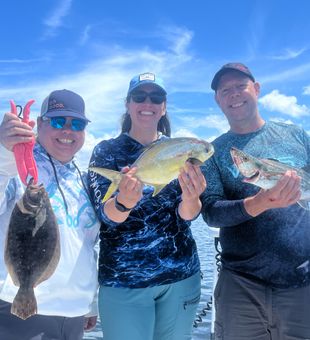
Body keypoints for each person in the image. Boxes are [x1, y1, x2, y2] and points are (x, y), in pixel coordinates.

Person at [88, 72, 207, 340]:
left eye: (156, 97)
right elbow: (104, 216)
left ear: (163, 106)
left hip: (181, 275)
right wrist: (123, 203)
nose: (148, 103)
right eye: (139, 96)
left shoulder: (180, 149)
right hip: (124, 280)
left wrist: (192, 199)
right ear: (128, 104)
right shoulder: (106, 151)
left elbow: (186, 216)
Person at [201, 62, 310, 339]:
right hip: (240, 285)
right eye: (226, 90)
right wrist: (261, 202)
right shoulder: (214, 151)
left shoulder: (295, 134)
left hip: (302, 282)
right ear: (217, 100)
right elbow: (211, 212)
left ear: (257, 89)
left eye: (241, 86)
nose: (234, 94)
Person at [0, 89, 100, 340]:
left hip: (74, 314)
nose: (68, 130)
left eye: (76, 123)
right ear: (39, 124)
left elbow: (88, 246)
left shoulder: (85, 179)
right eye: (58, 121)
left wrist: (91, 301)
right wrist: (3, 151)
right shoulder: (17, 166)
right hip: (19, 311)